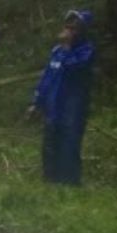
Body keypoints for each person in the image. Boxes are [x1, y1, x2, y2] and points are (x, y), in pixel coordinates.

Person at [28, 10, 96, 186]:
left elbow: (73, 68)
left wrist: (67, 48)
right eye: (67, 25)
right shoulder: (56, 52)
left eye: (73, 27)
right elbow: (47, 78)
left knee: (68, 146)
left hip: (72, 109)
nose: (68, 29)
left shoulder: (86, 51)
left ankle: (69, 185)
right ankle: (49, 182)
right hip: (53, 108)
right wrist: (37, 102)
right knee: (49, 146)